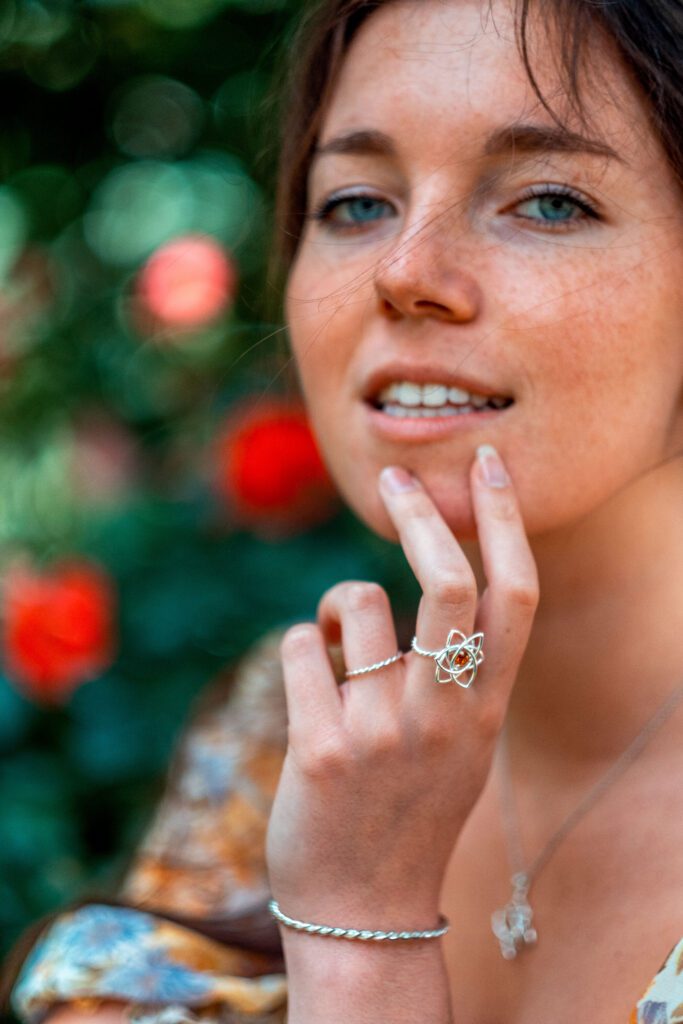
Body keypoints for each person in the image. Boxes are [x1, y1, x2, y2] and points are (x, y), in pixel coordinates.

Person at [4, 0, 683, 1021]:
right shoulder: (288, 734)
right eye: (356, 203)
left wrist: (363, 938)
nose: (402, 272)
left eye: (545, 202)